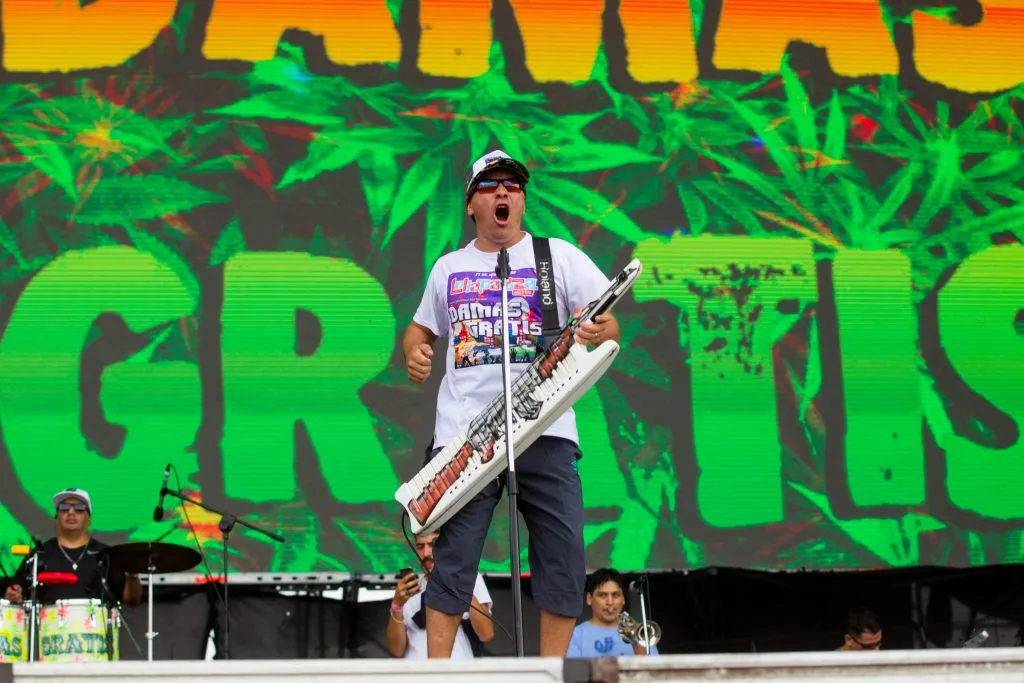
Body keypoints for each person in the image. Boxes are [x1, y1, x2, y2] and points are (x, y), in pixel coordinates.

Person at [403, 149, 621, 657]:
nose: (502, 192)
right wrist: (416, 351)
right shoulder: (449, 267)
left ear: (521, 200)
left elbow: (608, 323)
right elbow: (420, 329)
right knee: (453, 559)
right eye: (489, 185)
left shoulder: (558, 257)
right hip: (465, 434)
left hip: (545, 425)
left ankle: (549, 672)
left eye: (512, 185)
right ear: (470, 204)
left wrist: (594, 327)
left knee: (562, 553)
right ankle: (440, 672)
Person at [4, 488, 141, 607]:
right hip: (48, 633)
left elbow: (132, 601)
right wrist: (13, 594)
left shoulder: (106, 554)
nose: (71, 512)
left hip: (98, 633)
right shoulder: (39, 554)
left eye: (79, 508)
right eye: (64, 507)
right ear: (57, 517)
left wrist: (133, 577)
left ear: (89, 519)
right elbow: (14, 591)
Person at [386, 531, 494, 659]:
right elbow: (396, 650)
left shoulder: (469, 578)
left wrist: (461, 586)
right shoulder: (410, 588)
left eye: (433, 544)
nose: (426, 553)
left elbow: (486, 634)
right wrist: (397, 605)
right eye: (420, 546)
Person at [567, 568, 660, 657]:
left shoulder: (642, 633)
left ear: (623, 599)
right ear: (589, 599)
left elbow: (656, 671)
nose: (610, 602)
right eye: (602, 595)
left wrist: (636, 643)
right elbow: (573, 672)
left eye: (615, 595)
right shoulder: (575, 635)